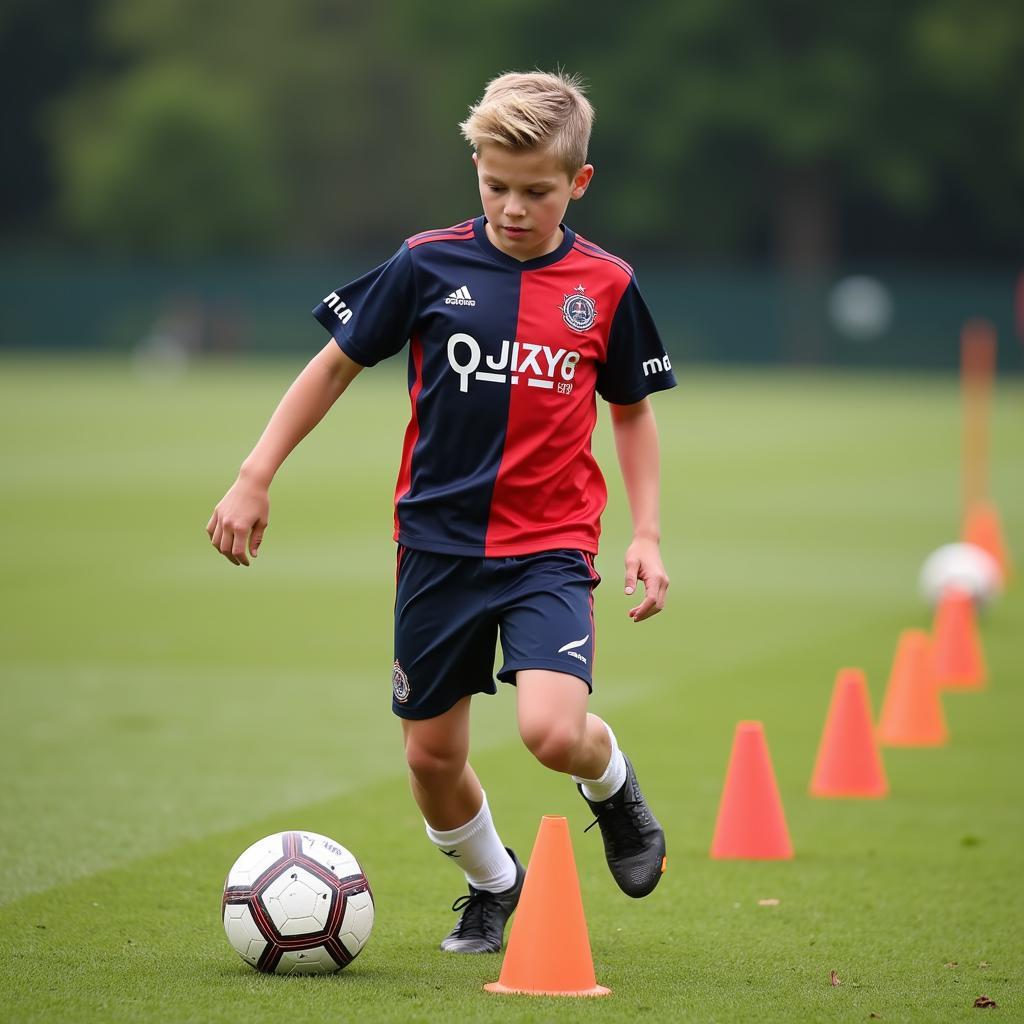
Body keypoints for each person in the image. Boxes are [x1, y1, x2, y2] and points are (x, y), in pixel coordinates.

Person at [207, 70, 676, 955]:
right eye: (495, 185)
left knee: (548, 730)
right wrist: (254, 473)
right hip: (436, 545)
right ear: (476, 168)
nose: (511, 207)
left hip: (550, 545)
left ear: (578, 184)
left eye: (535, 191)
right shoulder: (426, 262)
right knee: (430, 760)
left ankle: (613, 788)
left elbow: (632, 410)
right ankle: (496, 885)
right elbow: (334, 365)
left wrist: (646, 533)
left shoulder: (606, 286)